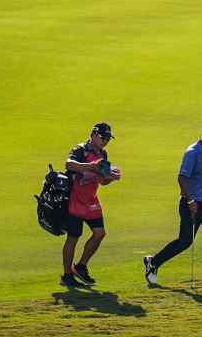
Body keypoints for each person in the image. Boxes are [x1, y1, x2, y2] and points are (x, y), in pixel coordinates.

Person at [144, 124, 202, 288]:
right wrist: (191, 201)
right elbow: (182, 178)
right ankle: (153, 262)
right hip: (192, 205)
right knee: (185, 241)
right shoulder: (193, 153)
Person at [62, 122, 121, 288]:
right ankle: (67, 275)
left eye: (108, 139)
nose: (106, 141)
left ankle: (81, 266)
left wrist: (111, 177)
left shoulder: (104, 153)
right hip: (75, 199)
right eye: (103, 138)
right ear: (93, 135)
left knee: (99, 233)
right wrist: (92, 166)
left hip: (91, 200)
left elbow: (102, 181)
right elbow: (69, 165)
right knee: (73, 237)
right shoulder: (80, 149)